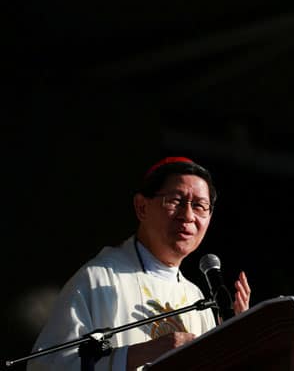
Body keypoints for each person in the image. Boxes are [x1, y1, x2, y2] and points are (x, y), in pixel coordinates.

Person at [27, 157, 252, 370]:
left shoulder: (197, 298)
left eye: (200, 206)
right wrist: (139, 354)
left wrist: (235, 341)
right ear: (142, 207)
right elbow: (45, 365)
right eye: (176, 200)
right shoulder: (98, 278)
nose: (188, 215)